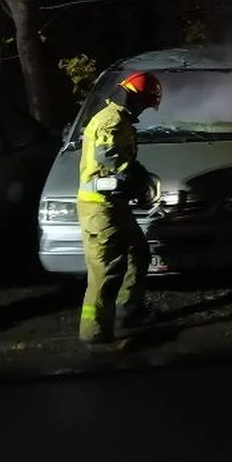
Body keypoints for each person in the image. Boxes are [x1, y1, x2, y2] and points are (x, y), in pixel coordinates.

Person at [76, 70, 162, 345]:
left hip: (114, 204)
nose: (145, 110)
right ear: (135, 98)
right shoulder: (109, 121)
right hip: (99, 208)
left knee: (139, 252)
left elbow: (121, 164)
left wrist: (137, 179)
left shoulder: (120, 120)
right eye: (146, 103)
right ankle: (94, 333)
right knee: (106, 271)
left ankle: (129, 310)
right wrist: (136, 176)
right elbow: (108, 155)